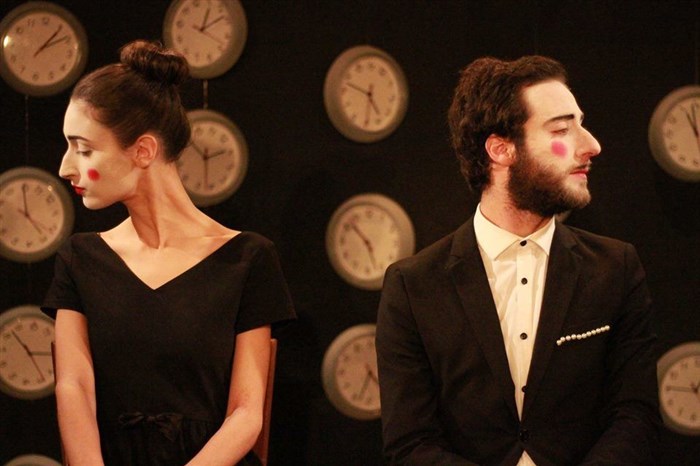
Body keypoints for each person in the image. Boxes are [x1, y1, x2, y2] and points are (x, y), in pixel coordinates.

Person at [376, 56, 659, 465]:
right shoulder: (413, 285)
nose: (591, 145)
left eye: (580, 124)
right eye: (561, 130)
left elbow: (635, 417)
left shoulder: (616, 268)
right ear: (501, 149)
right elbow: (410, 443)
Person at [42, 40, 295, 465]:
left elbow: (246, 413)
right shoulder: (80, 259)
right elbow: (74, 388)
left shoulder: (247, 259)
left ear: (143, 151)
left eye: (83, 149)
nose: (66, 167)